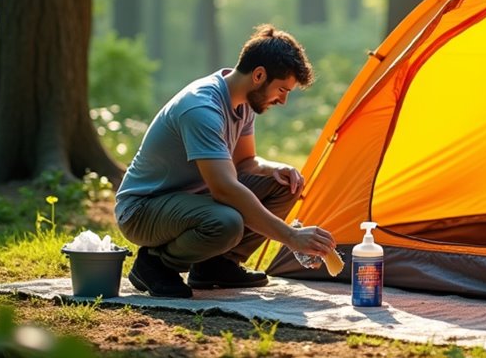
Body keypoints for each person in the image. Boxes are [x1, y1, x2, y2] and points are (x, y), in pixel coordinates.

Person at [115, 24, 335, 298]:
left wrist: (275, 169)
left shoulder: (243, 102)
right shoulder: (202, 108)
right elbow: (224, 189)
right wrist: (291, 237)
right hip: (143, 209)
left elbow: (245, 163)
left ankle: (216, 265)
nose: (283, 100)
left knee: (284, 184)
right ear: (259, 75)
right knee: (226, 222)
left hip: (193, 199)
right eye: (282, 89)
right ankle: (155, 264)